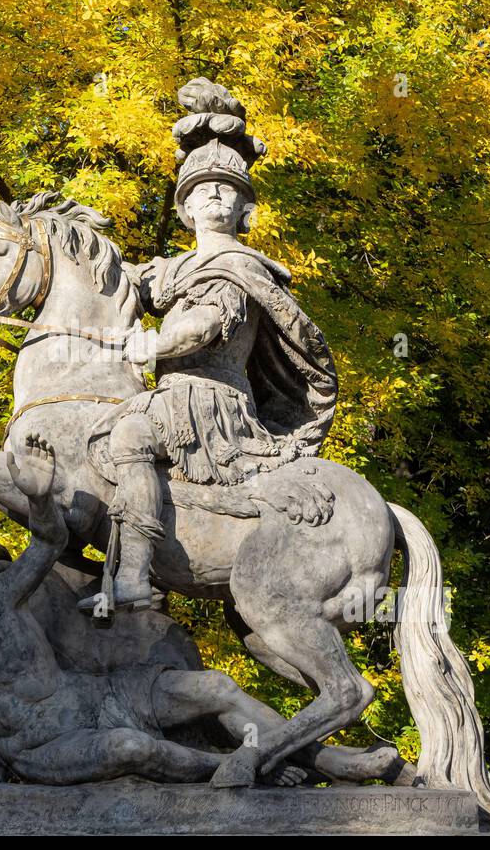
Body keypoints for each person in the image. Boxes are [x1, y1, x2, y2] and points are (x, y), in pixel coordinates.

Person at [0, 434, 318, 787]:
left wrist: (40, 498)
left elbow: (48, 543)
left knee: (214, 687)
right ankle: (247, 766)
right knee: (131, 748)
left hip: (96, 696)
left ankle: (300, 754)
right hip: (46, 748)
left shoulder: (3, 598)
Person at [83, 79, 339, 613]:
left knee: (128, 435)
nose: (215, 195)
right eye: (203, 190)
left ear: (245, 209)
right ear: (185, 208)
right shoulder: (172, 269)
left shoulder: (241, 267)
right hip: (173, 393)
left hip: (211, 401)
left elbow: (207, 323)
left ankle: (133, 580)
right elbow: (116, 285)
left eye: (228, 190)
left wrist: (152, 345)